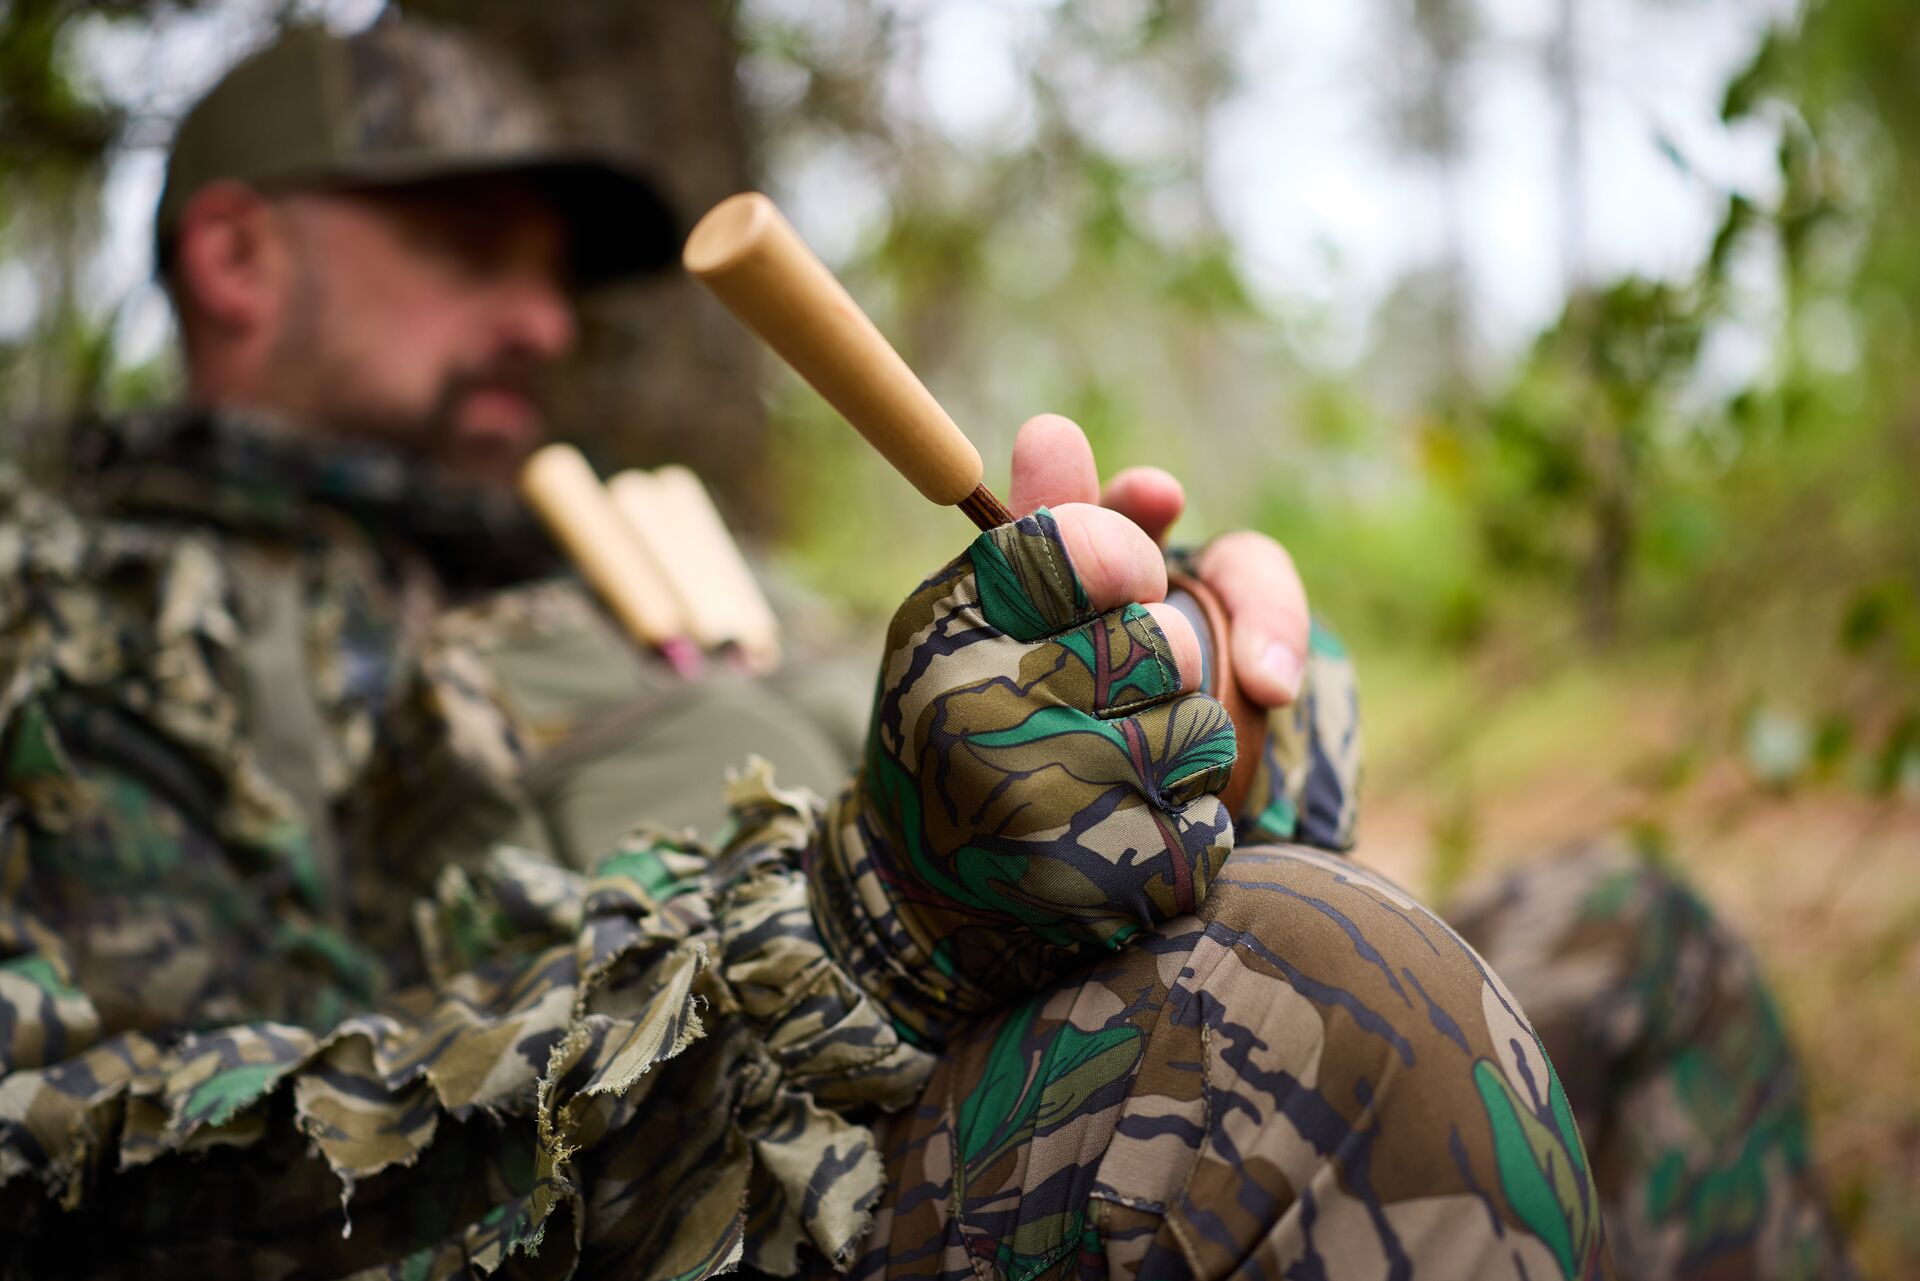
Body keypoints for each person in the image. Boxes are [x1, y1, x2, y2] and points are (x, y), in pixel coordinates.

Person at [0, 16, 1827, 1281]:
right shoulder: (74, 615)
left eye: (558, 265)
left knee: (1626, 944)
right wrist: (851, 934)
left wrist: (1208, 759)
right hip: (659, 1218)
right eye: (472, 243)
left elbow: (1009, 849)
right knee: (1309, 999)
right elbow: (69, 1167)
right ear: (236, 255)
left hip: (923, 1119)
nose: (546, 316)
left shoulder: (691, 572)